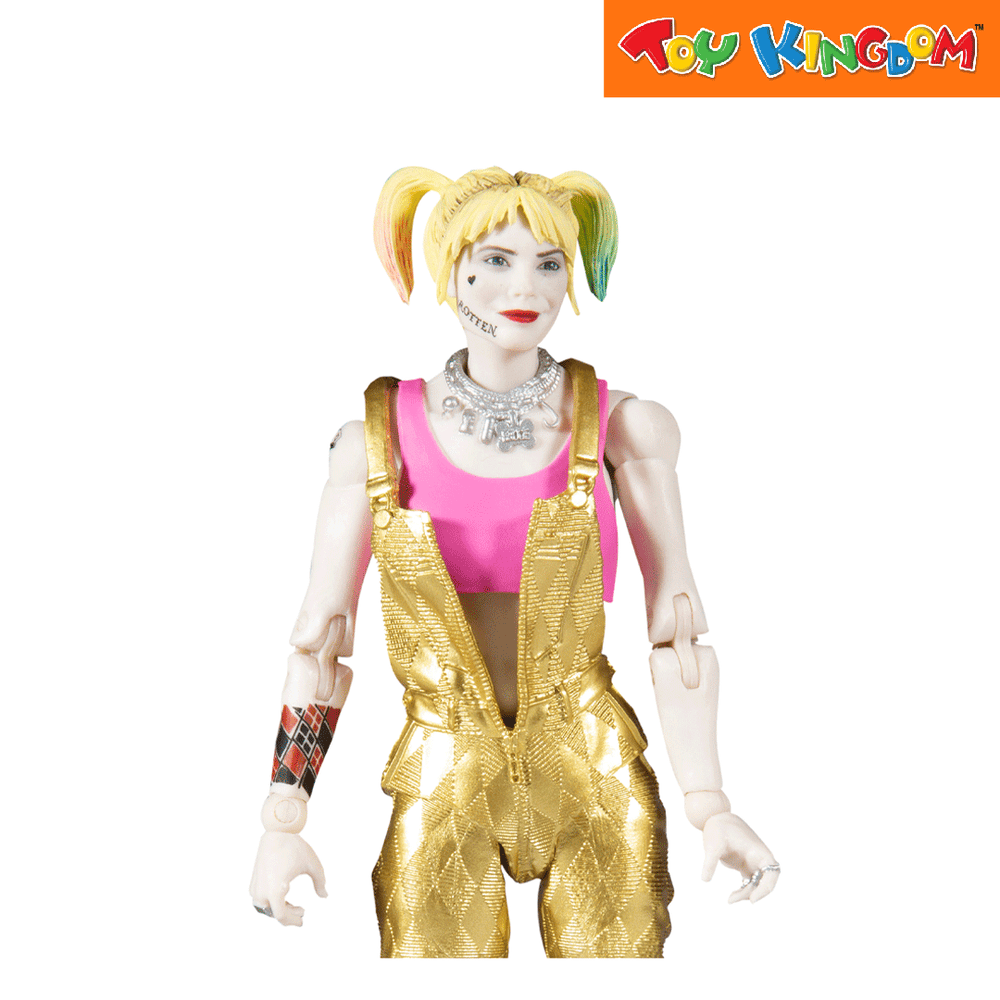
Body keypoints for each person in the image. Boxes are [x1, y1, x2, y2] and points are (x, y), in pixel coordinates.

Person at [249, 166, 779, 957]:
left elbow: (679, 634)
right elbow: (320, 643)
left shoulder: (625, 429)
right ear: (448, 269)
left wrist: (711, 802)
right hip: (441, 766)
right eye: (494, 260)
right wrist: (283, 815)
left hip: (592, 763)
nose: (524, 286)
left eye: (549, 263)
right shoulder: (375, 441)